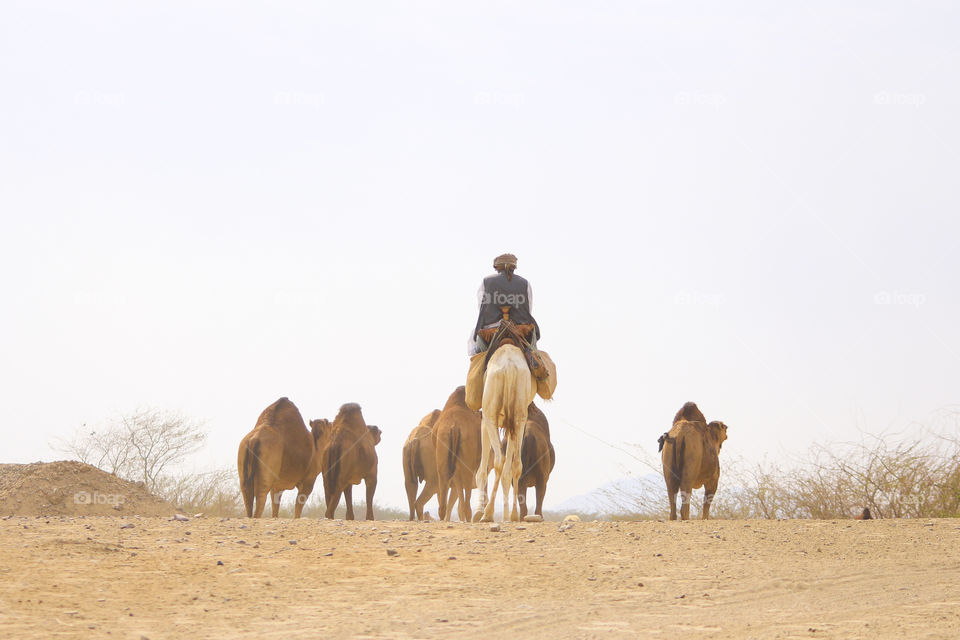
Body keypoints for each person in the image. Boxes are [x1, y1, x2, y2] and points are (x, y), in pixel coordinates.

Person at [470, 253, 540, 354]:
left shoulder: (486, 282)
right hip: (521, 331)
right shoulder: (525, 283)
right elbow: (528, 309)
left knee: (477, 355)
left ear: (497, 267)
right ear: (514, 267)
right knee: (536, 357)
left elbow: (482, 308)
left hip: (491, 332)